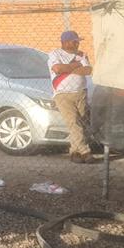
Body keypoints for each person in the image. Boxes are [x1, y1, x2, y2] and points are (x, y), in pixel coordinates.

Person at [48, 30, 94, 162]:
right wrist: (76, 65)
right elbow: (57, 69)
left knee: (81, 123)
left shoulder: (82, 54)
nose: (77, 43)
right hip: (63, 94)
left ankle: (74, 153)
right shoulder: (55, 54)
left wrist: (67, 67)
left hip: (80, 92)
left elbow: (87, 70)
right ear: (65, 42)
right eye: (75, 41)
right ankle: (85, 152)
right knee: (74, 122)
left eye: (78, 41)